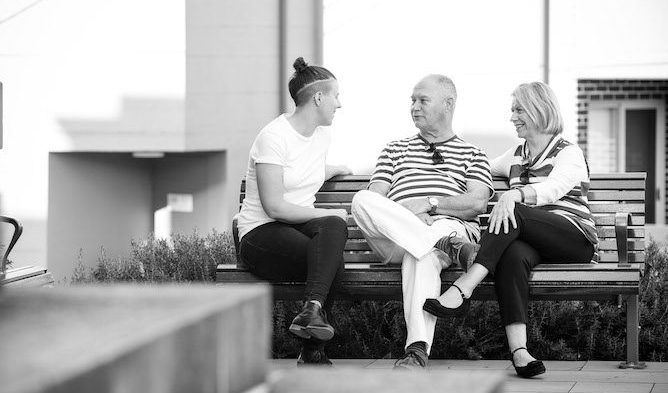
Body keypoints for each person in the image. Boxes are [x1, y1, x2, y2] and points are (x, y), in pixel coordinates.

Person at [424, 81, 598, 378]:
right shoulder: (517, 154)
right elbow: (479, 169)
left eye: (518, 110)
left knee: (513, 210)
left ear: (538, 110)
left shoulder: (568, 152)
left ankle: (463, 287)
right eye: (512, 110)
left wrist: (515, 195)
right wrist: (438, 178)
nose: (512, 116)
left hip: (573, 238)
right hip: (532, 240)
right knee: (512, 254)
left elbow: (553, 189)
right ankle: (520, 352)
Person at [351, 74, 493, 370]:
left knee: (422, 252)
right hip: (394, 239)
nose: (414, 107)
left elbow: (478, 202)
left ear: (448, 104)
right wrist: (403, 215)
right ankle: (445, 245)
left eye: (422, 100)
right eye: (412, 101)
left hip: (447, 225)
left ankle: (416, 350)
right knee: (360, 200)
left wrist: (430, 204)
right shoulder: (394, 149)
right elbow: (374, 198)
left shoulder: (473, 154)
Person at [236, 57, 352, 367]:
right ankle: (312, 350)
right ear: (318, 97)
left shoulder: (321, 136)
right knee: (332, 255)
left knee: (332, 237)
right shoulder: (273, 137)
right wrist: (330, 215)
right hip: (260, 235)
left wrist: (335, 170)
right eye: (336, 96)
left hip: (293, 230)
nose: (339, 104)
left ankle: (311, 311)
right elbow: (274, 206)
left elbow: (303, 170)